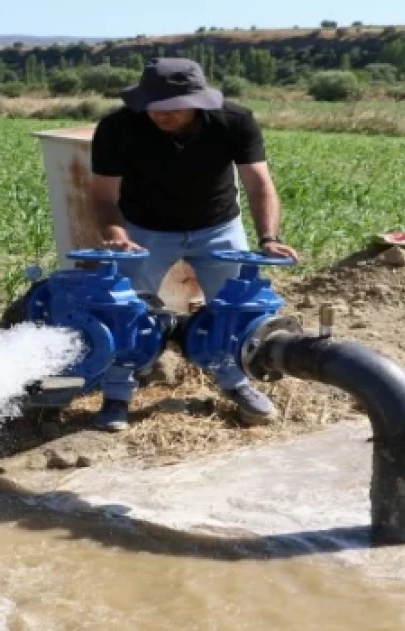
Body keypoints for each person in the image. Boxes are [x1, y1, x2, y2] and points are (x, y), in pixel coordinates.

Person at [88, 57, 300, 433]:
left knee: (233, 310)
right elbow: (103, 196)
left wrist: (269, 237)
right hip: (145, 228)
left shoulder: (234, 121)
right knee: (126, 310)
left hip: (217, 225)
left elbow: (258, 184)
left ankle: (235, 384)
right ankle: (117, 395)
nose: (158, 114)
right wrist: (116, 235)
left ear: (198, 101)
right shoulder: (118, 127)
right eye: (151, 105)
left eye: (170, 107)